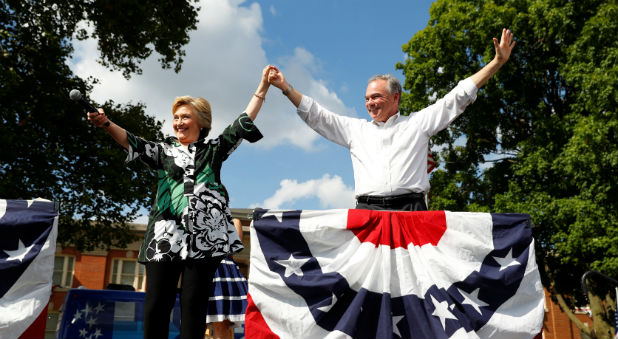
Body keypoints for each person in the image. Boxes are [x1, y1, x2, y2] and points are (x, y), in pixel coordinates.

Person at [87, 65, 276, 339]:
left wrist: (263, 87)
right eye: (175, 117)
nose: (178, 122)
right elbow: (132, 142)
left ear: (201, 121)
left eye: (185, 116)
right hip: (164, 236)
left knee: (194, 306)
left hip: (204, 239)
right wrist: (105, 123)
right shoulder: (163, 151)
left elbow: (243, 120)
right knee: (156, 305)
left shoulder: (213, 151)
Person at [268, 29, 515, 211]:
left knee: (412, 280)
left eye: (376, 97)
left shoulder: (418, 124)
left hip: (411, 211)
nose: (370, 103)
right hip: (367, 212)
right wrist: (286, 87)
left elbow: (457, 97)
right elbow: (317, 115)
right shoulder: (355, 130)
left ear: (395, 98)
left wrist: (496, 63)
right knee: (367, 282)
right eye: (366, 99)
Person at [205, 218, 248, 339]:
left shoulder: (233, 221)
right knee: (194, 323)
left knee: (221, 324)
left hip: (223, 271)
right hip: (199, 269)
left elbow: (235, 246)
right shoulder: (195, 217)